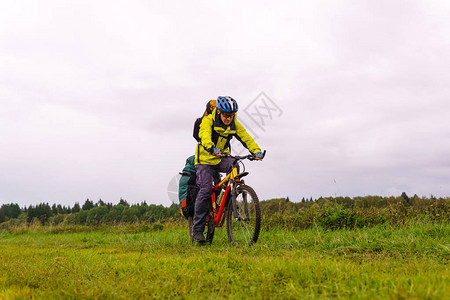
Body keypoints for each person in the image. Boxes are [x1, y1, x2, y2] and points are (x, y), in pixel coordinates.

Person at [192, 96, 263, 243]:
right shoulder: (208, 121)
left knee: (235, 165)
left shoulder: (233, 123)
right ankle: (197, 230)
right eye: (225, 115)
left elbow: (245, 137)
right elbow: (204, 135)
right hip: (205, 159)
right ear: (218, 112)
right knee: (205, 189)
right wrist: (211, 147)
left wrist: (256, 151)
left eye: (231, 116)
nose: (228, 119)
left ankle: (230, 193)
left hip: (221, 158)